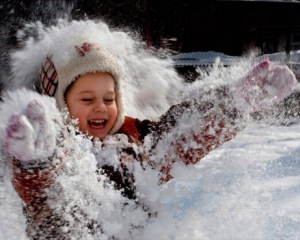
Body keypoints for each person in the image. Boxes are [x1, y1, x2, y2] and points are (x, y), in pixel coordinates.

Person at [0, 20, 297, 239]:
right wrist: (36, 160)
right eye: (87, 99)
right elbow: (41, 196)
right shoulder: (56, 146)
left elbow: (180, 136)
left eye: (109, 98)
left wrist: (234, 103)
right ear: (59, 104)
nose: (101, 107)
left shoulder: (134, 138)